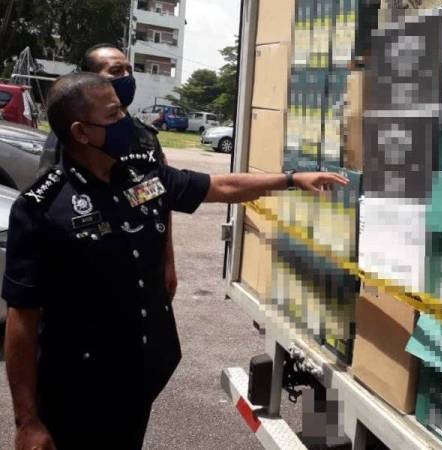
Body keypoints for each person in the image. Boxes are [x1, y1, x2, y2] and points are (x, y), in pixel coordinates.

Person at [3, 72, 348, 450]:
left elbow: (218, 187)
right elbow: (23, 319)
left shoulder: (139, 177)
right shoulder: (42, 208)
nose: (128, 123)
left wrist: (290, 180)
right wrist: (28, 420)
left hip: (139, 377)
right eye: (114, 115)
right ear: (81, 132)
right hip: (80, 389)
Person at [40, 43, 179, 302]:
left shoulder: (146, 138)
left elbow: (160, 202)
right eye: (116, 70)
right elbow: (47, 214)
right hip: (88, 276)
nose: (127, 76)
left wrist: (167, 261)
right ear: (91, 79)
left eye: (129, 69)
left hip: (141, 273)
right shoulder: (71, 137)